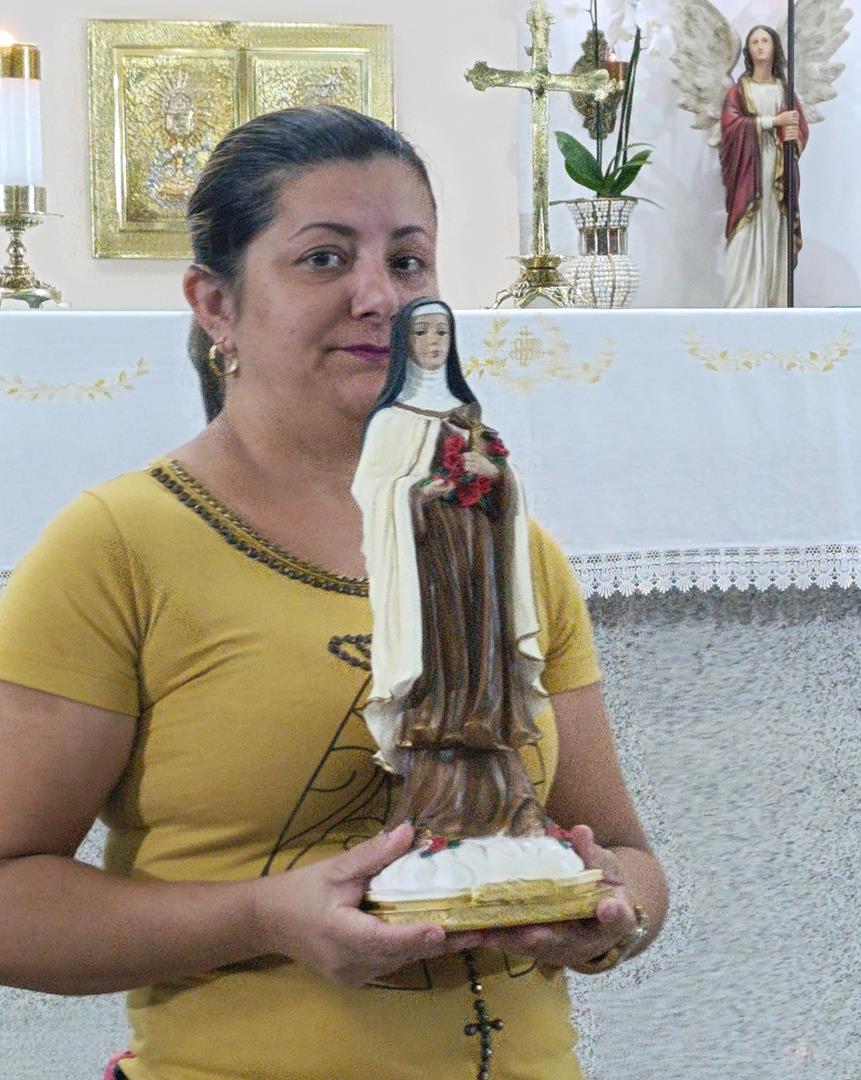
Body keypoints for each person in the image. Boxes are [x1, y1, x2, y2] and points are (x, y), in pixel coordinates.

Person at [0, 106, 668, 1079]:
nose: (377, 297)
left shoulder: (501, 537)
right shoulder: (116, 548)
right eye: (323, 259)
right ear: (215, 303)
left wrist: (610, 910)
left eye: (407, 261)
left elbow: (627, 855)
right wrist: (260, 916)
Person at [354, 297, 549, 839]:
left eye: (442, 332)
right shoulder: (391, 420)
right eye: (422, 333)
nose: (434, 343)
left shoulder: (468, 413)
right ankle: (440, 780)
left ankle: (496, 759)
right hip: (429, 562)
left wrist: (497, 474)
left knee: (484, 648)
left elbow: (504, 490)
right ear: (404, 343)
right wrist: (419, 493)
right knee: (443, 658)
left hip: (479, 556)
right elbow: (371, 491)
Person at [720, 25, 809, 307]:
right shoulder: (738, 91)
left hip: (778, 174)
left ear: (774, 47)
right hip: (749, 174)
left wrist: (793, 134)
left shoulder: (785, 90)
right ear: (748, 49)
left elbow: (799, 129)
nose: (760, 46)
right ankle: (745, 304)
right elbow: (730, 128)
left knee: (775, 231)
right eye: (755, 42)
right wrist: (772, 122)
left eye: (765, 41)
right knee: (745, 236)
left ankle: (774, 301)